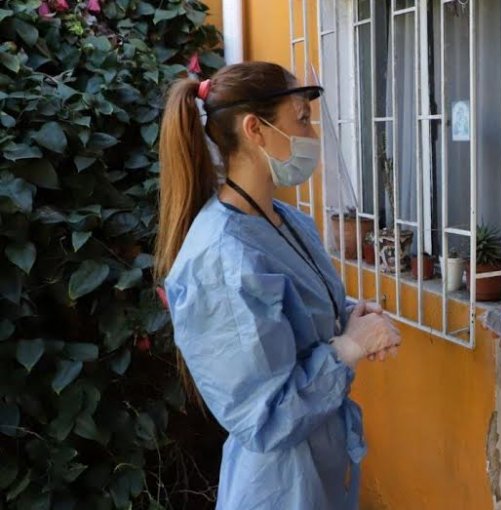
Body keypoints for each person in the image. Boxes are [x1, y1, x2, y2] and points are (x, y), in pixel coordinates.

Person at [154, 61, 401, 510]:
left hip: (320, 461)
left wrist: (353, 318)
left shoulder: (286, 221)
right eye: (301, 119)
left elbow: (296, 315)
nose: (312, 135)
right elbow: (266, 418)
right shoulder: (222, 259)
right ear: (255, 129)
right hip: (279, 484)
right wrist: (349, 349)